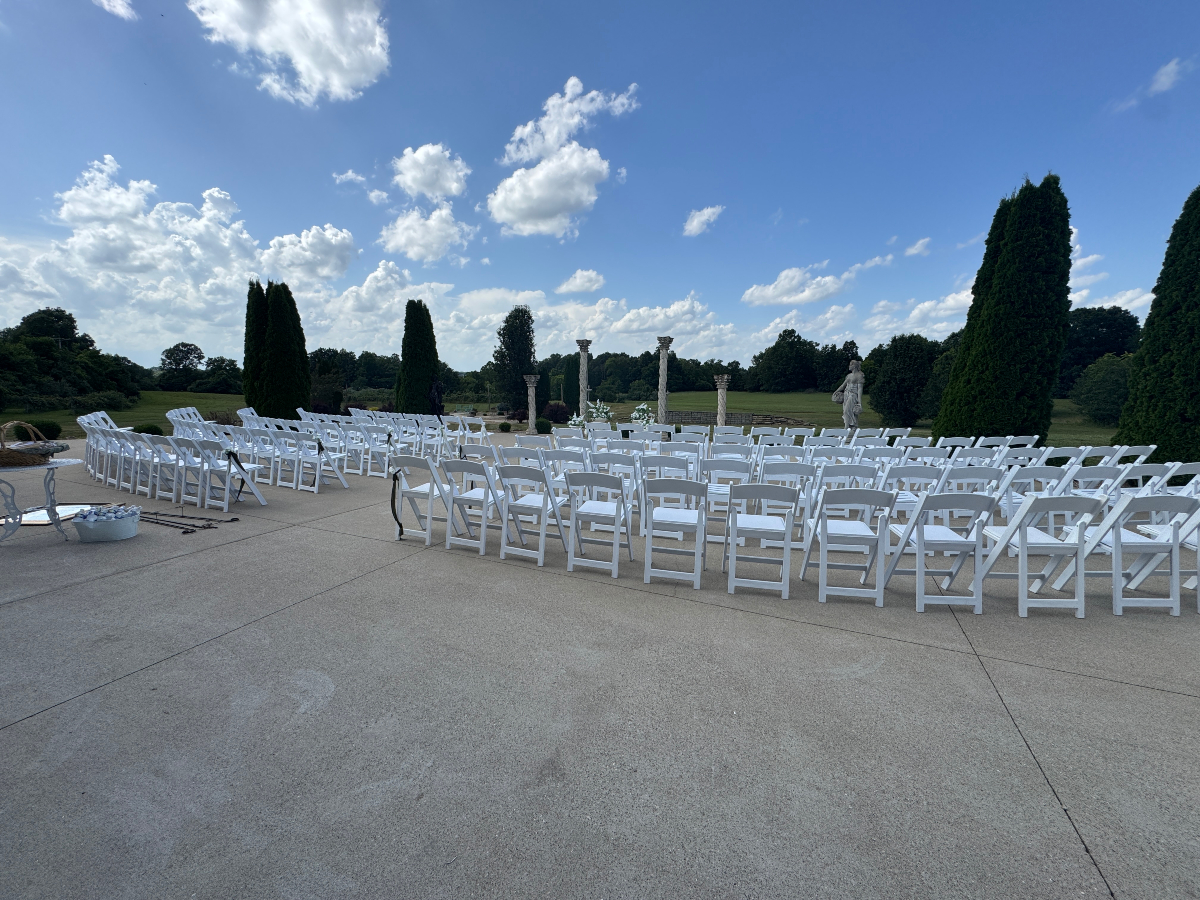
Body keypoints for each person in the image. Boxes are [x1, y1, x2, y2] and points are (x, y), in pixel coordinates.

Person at [832, 359, 864, 429]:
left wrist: (859, 402)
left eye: (850, 365)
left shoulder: (859, 376)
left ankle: (847, 428)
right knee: (846, 411)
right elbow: (843, 386)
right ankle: (851, 427)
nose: (849, 366)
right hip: (846, 394)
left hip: (853, 395)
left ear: (854, 366)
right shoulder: (849, 375)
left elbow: (859, 389)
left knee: (848, 410)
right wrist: (836, 392)